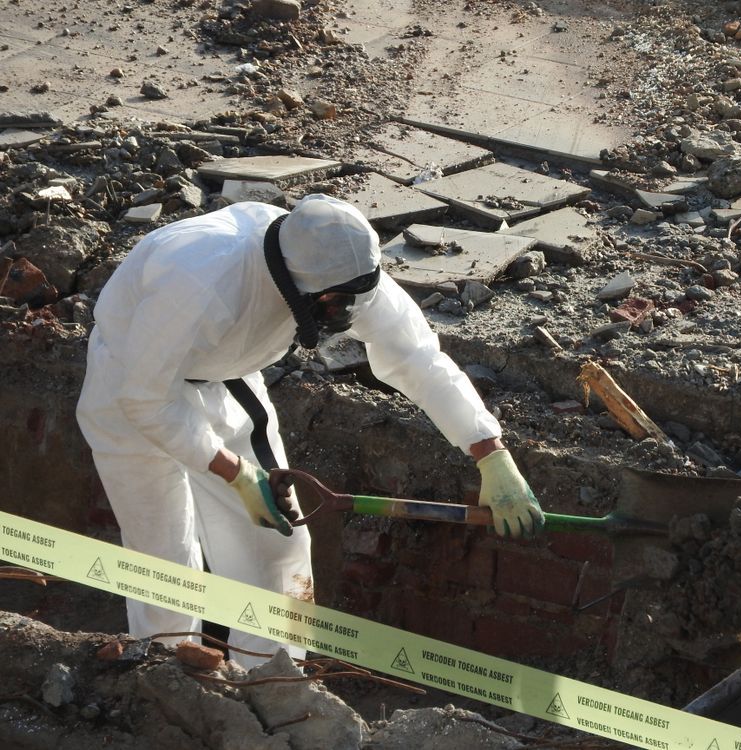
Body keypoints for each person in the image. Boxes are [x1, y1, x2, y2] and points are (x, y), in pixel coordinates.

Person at [76, 194, 544, 668]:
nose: (339, 314)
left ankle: (272, 682)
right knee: (164, 553)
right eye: (329, 305)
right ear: (292, 281)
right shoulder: (200, 278)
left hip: (228, 375)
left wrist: (489, 451)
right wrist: (235, 473)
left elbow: (416, 356)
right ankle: (166, 679)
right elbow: (146, 399)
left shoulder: (347, 271)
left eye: (348, 304)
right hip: (130, 382)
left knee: (278, 544)